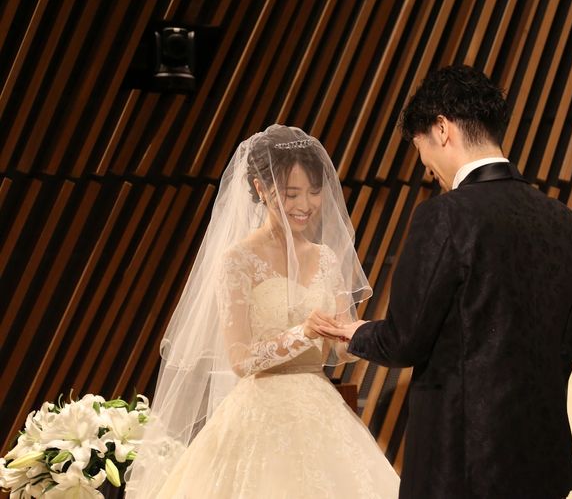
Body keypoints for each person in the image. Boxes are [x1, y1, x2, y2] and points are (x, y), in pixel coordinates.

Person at [320, 65, 572, 498]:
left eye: (420, 148)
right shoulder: (563, 220)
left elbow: (404, 340)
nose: (426, 167)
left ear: (441, 129)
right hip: (542, 463)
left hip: (463, 466)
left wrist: (357, 332)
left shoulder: (446, 214)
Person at [125, 125, 400, 498]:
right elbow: (240, 360)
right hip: (260, 411)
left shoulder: (326, 258)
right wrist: (302, 332)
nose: (305, 205)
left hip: (321, 407)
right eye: (291, 193)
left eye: (314, 192)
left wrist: (354, 335)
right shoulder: (237, 260)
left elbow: (338, 349)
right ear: (260, 188)